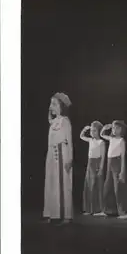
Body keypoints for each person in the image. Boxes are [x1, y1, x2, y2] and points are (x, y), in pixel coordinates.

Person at [43, 92, 73, 224]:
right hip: (51, 153)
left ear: (61, 106)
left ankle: (66, 215)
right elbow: (50, 119)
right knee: (51, 183)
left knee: (63, 183)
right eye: (50, 104)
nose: (51, 106)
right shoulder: (53, 122)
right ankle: (53, 213)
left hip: (62, 153)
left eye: (54, 104)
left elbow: (69, 141)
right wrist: (51, 111)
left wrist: (70, 158)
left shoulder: (65, 121)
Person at [100, 120, 127, 218]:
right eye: (113, 128)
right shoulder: (111, 138)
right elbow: (102, 134)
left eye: (117, 128)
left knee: (118, 188)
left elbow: (123, 156)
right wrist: (105, 128)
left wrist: (122, 170)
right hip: (110, 162)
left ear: (121, 130)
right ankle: (108, 210)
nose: (115, 130)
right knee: (108, 187)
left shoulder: (121, 140)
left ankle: (122, 212)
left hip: (117, 162)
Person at [80, 121, 106, 216]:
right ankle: (89, 209)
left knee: (97, 186)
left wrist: (101, 168)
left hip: (97, 163)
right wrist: (84, 129)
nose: (92, 132)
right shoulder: (91, 140)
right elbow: (81, 136)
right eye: (91, 131)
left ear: (99, 131)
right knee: (89, 186)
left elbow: (103, 156)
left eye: (94, 131)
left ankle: (100, 209)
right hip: (90, 164)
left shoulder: (101, 142)